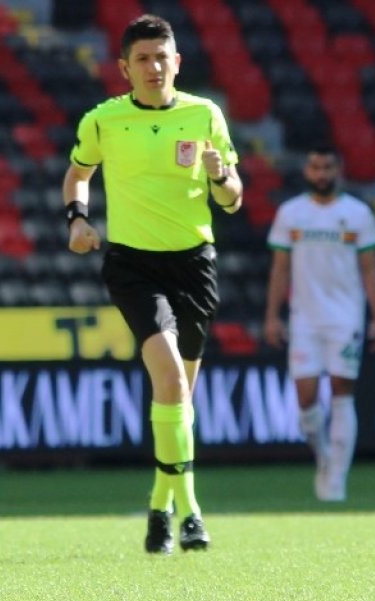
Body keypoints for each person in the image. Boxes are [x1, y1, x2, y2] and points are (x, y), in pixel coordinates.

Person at [62, 14, 242, 554]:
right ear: (124, 68)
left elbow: (233, 199)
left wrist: (219, 175)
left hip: (194, 265)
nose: (153, 67)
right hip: (134, 266)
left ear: (177, 62)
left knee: (179, 397)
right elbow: (78, 173)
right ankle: (191, 512)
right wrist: (77, 218)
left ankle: (159, 506)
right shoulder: (104, 121)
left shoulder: (204, 114)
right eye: (142, 58)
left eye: (162, 57)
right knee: (170, 381)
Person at [264, 146, 375, 502]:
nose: (321, 174)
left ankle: (337, 480)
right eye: (315, 167)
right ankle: (324, 457)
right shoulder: (291, 213)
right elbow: (280, 269)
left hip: (346, 317)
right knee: (306, 399)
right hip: (304, 317)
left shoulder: (358, 214)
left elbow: (370, 270)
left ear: (338, 170)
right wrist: (272, 316)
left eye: (327, 167)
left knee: (341, 392)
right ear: (306, 171)